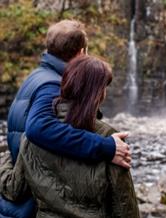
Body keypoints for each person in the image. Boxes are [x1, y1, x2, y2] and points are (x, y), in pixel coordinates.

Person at [1, 20, 131, 217]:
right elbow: (38, 127)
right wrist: (106, 146)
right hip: (35, 196)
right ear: (80, 53)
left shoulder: (37, 76)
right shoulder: (52, 86)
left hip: (29, 185)